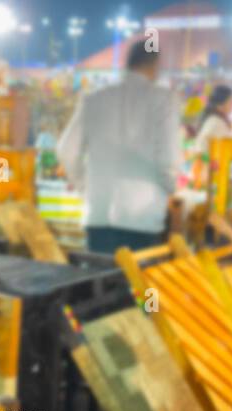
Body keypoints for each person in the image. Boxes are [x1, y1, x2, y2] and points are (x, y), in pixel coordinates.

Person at [57, 42, 182, 254]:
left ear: (128, 63)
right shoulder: (164, 100)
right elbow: (168, 158)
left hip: (99, 214)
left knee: (100, 283)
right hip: (142, 215)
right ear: (155, 65)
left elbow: (66, 150)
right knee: (140, 285)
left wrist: (84, 187)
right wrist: (170, 188)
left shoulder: (94, 99)